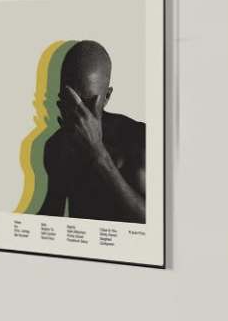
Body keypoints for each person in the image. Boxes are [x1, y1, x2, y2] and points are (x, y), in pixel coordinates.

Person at [33, 39, 147, 223]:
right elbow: (51, 217)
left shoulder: (137, 138)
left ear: (107, 97)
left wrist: (98, 153)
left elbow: (155, 221)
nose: (79, 114)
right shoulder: (57, 145)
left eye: (86, 102)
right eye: (70, 100)